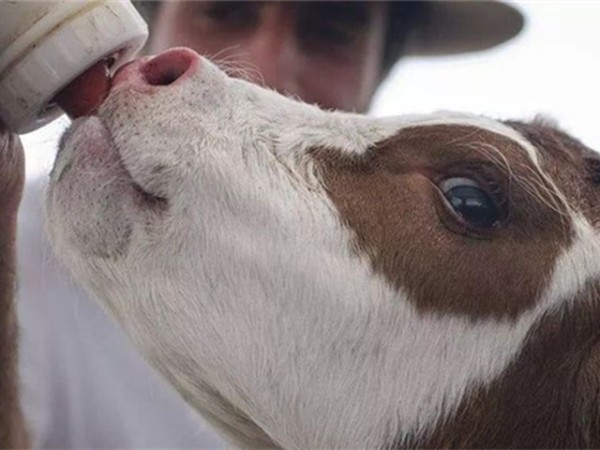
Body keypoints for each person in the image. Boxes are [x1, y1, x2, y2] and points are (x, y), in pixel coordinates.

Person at [0, 1, 523, 447]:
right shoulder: (22, 253)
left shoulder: (457, 337)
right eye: (224, 10)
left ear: (379, 70)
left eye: (330, 31)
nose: (261, 67)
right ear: (147, 22)